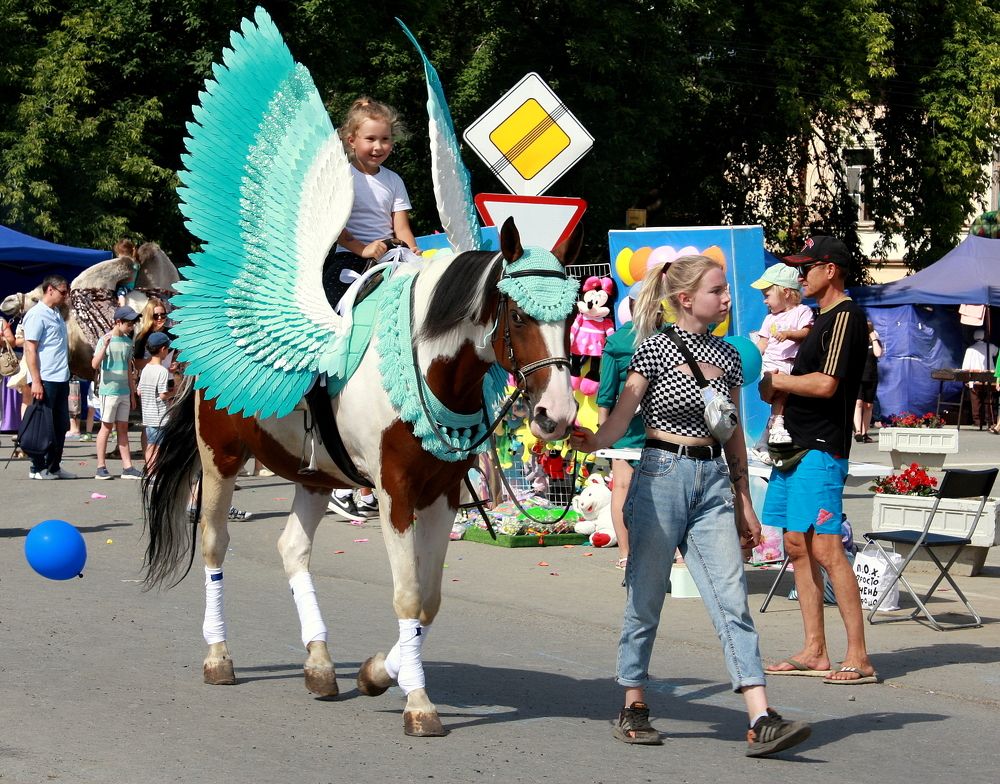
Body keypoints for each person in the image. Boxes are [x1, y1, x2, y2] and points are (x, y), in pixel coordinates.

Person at [571, 255, 811, 757]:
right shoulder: (655, 349)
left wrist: (744, 501)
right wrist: (591, 441)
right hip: (661, 475)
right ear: (685, 299)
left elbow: (733, 435)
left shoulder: (727, 356)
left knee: (732, 599)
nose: (727, 299)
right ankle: (633, 702)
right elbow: (623, 416)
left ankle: (760, 716)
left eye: (725, 291)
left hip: (713, 483)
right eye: (717, 291)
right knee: (646, 597)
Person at [758, 235, 877, 685]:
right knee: (795, 546)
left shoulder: (846, 316)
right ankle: (815, 650)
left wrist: (779, 381)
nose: (800, 275)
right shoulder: (815, 319)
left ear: (831, 270)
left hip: (822, 447)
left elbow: (828, 386)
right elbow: (783, 382)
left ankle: (860, 656)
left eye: (807, 267)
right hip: (791, 446)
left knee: (826, 547)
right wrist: (773, 384)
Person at [325, 96, 418, 521]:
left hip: (388, 258)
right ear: (351, 140)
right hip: (347, 259)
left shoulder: (394, 181)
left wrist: (416, 257)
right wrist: (363, 248)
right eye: (370, 139)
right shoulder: (341, 177)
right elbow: (335, 227)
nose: (378, 147)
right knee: (335, 322)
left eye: (384, 140)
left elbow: (401, 227)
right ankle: (319, 387)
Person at [595, 279, 651, 570]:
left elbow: (605, 394)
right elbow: (605, 393)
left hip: (648, 432)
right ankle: (628, 553)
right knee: (626, 488)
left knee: (633, 490)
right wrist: (604, 440)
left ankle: (633, 555)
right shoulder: (618, 341)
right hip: (632, 431)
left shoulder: (668, 336)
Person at [751, 263, 813, 446]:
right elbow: (763, 342)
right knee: (781, 391)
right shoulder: (769, 319)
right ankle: (776, 426)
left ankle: (765, 440)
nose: (764, 301)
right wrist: (752, 358)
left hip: (792, 363)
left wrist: (789, 334)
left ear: (786, 292)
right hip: (772, 362)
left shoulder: (802, 311)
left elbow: (808, 332)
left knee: (784, 399)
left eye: (767, 295)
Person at [21, 275, 75, 479]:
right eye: (63, 292)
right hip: (45, 378)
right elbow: (30, 349)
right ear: (50, 290)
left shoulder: (56, 314)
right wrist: (35, 380)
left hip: (61, 377)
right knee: (42, 425)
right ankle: (37, 467)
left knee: (61, 424)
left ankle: (54, 466)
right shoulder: (37, 314)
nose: (65, 296)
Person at [92, 305, 142, 480]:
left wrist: (132, 391)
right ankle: (100, 466)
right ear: (118, 322)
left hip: (124, 391)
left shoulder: (128, 342)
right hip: (109, 391)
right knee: (106, 427)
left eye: (133, 323)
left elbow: (129, 368)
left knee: (123, 428)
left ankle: (127, 467)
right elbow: (94, 364)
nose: (131, 326)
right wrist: (105, 347)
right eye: (129, 323)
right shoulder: (105, 339)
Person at [137, 330, 175, 470]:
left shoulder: (146, 368)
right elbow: (163, 394)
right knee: (159, 447)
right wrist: (173, 393)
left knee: (151, 445)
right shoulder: (162, 371)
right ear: (163, 349)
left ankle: (150, 470)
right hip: (160, 416)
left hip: (148, 415)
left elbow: (139, 390)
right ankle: (155, 471)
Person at [961, 328, 997, 430]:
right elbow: (997, 352)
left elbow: (965, 367)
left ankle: (977, 421)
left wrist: (967, 380)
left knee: (976, 401)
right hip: (988, 379)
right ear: (984, 336)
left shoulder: (970, 349)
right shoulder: (990, 347)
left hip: (974, 379)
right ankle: (989, 421)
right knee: (988, 400)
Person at [854, 319, 882, 441]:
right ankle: (858, 431)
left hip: (871, 377)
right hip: (857, 376)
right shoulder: (856, 340)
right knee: (858, 403)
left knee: (869, 405)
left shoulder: (875, 341)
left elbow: (878, 353)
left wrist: (874, 338)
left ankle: (865, 433)